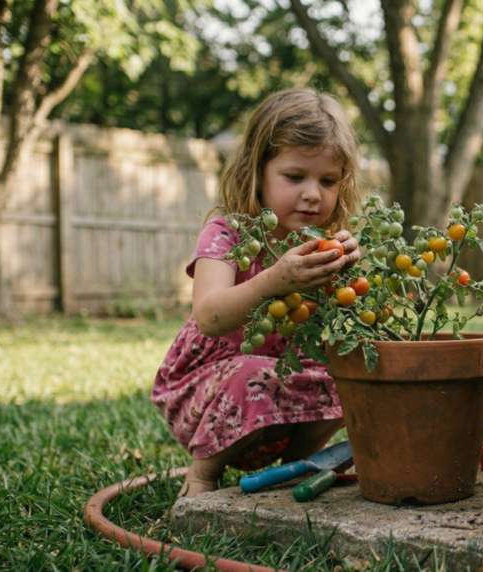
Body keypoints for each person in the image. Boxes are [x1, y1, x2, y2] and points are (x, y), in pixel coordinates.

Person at [152, 87, 362, 497]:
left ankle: (299, 466)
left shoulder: (325, 242)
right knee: (251, 375)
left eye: (328, 180)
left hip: (285, 388)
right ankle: (201, 478)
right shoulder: (229, 234)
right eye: (295, 176)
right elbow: (210, 317)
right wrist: (274, 281)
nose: (313, 194)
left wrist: (348, 271)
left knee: (351, 374)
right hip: (207, 390)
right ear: (257, 171)